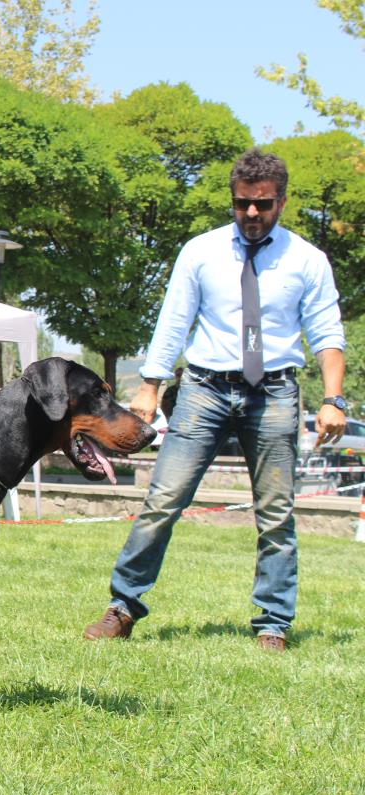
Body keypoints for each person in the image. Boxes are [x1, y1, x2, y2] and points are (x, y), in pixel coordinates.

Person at [83, 149, 347, 653]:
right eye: (242, 203)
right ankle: (122, 606)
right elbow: (173, 321)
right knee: (163, 500)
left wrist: (333, 398)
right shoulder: (200, 252)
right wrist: (150, 385)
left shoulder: (307, 260)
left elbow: (327, 333)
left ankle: (273, 623)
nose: (251, 214)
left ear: (282, 202)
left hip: (274, 393)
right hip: (204, 390)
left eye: (262, 204)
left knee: (276, 512)